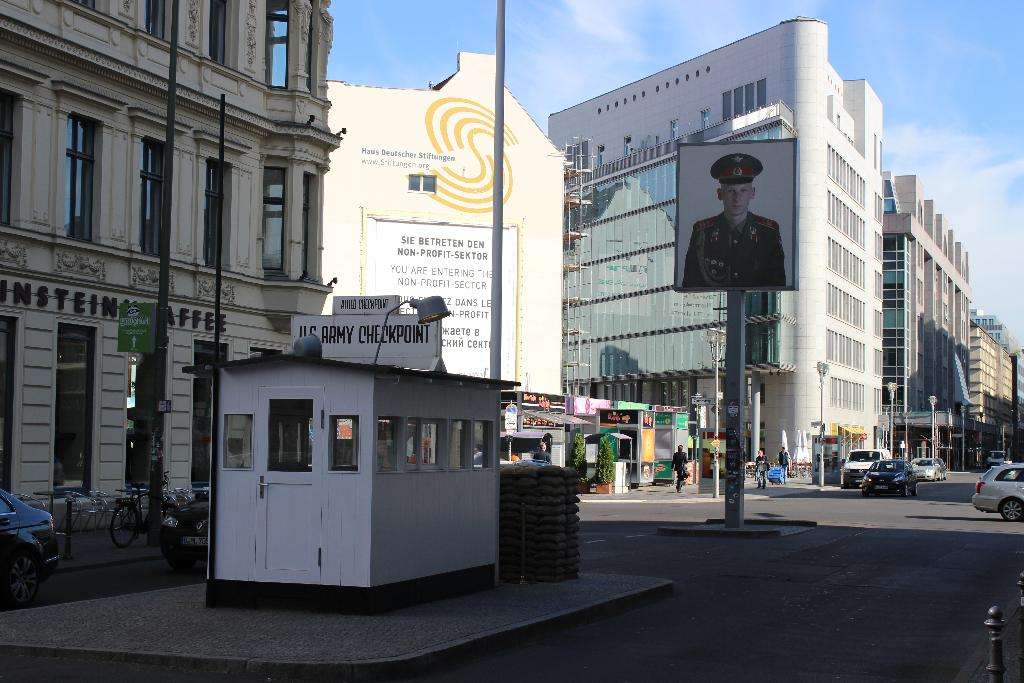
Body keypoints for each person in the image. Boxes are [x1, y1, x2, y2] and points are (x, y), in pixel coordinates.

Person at [681, 153, 786, 289]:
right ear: (720, 194)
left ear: (752, 193)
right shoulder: (702, 232)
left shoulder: (768, 232)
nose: (737, 198)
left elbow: (777, 283)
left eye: (743, 190)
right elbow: (690, 282)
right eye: (731, 191)